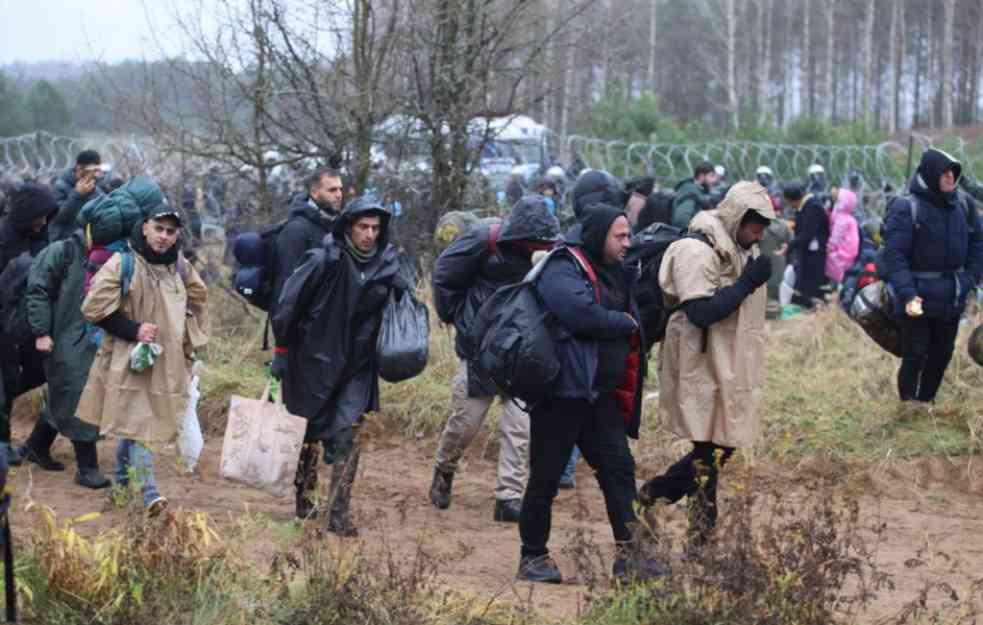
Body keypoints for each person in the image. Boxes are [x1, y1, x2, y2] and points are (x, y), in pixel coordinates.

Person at [517, 204, 658, 584]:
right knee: (545, 478)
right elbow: (579, 313)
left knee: (619, 472)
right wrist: (623, 323)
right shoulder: (563, 266)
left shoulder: (613, 271)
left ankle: (633, 556)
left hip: (599, 395)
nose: (627, 242)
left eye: (629, 235)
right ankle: (532, 557)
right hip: (562, 394)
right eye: (620, 236)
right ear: (598, 235)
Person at [640, 182, 775, 547]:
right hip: (698, 359)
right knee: (709, 449)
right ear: (736, 218)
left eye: (764, 225)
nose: (759, 233)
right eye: (754, 224)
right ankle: (698, 534)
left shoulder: (739, 246)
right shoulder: (696, 249)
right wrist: (747, 281)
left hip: (728, 360)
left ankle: (654, 497)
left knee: (720, 445)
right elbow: (700, 312)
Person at [272, 197, 405, 532]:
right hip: (311, 362)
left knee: (348, 437)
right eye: (363, 226)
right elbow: (288, 306)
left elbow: (398, 311)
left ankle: (338, 513)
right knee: (308, 435)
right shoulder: (322, 260)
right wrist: (282, 351)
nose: (370, 234)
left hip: (357, 368)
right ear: (348, 226)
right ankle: (304, 500)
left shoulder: (387, 266)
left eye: (376, 228)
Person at [429, 196, 559, 522]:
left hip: (524, 350)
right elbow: (444, 274)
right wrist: (459, 318)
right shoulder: (484, 238)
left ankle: (509, 497)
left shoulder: (552, 251)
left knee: (520, 426)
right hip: (481, 348)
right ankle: (444, 469)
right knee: (466, 422)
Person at [77, 207, 209, 513]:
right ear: (145, 228)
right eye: (158, 228)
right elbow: (92, 308)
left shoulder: (180, 267)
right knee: (140, 422)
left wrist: (186, 338)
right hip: (129, 358)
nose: (163, 237)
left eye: (170, 231)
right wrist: (133, 329)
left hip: (168, 361)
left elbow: (199, 301)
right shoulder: (122, 264)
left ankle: (121, 489)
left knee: (133, 423)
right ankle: (150, 494)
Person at [879, 149, 983, 404]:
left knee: (942, 353)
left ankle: (926, 401)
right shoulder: (906, 207)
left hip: (952, 295)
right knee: (915, 353)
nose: (950, 177)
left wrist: (969, 278)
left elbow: (978, 242)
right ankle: (908, 403)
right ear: (931, 173)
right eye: (945, 172)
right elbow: (895, 256)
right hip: (915, 296)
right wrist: (908, 294)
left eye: (954, 173)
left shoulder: (964, 205)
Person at [20, 212, 112, 488]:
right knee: (77, 391)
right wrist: (41, 332)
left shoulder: (107, 255)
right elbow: (37, 291)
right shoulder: (61, 253)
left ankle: (35, 446)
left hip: (89, 336)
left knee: (66, 392)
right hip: (61, 336)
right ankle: (87, 468)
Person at [0, 183, 59, 465]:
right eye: (40, 216)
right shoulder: (3, 237)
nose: (43, 223)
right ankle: (2, 444)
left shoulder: (41, 236)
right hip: (3, 321)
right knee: (3, 381)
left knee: (34, 373)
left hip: (27, 323)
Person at [270, 167, 345, 312]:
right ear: (314, 193)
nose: (339, 195)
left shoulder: (337, 225)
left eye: (340, 189)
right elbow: (285, 289)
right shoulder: (296, 230)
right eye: (332, 190)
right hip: (302, 325)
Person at [783, 181, 829, 309]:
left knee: (809, 289)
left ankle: (817, 310)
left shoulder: (813, 207)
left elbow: (807, 234)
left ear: (792, 200)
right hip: (808, 253)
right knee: (803, 288)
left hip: (815, 256)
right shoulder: (806, 205)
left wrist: (789, 246)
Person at [50, 150, 105, 242]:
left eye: (96, 171)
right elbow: (57, 218)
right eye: (91, 171)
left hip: (87, 241)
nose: (94, 175)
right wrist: (77, 195)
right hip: (64, 242)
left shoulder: (94, 188)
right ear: (79, 168)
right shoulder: (60, 186)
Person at [825, 188, 860, 286]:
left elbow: (836, 236)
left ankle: (834, 291)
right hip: (850, 253)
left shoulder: (841, 219)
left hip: (841, 253)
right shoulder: (850, 218)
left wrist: (829, 248)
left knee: (835, 273)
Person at [671, 161, 717, 230]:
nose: (714, 180)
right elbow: (681, 219)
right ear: (701, 176)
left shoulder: (698, 191)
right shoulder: (690, 191)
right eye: (711, 176)